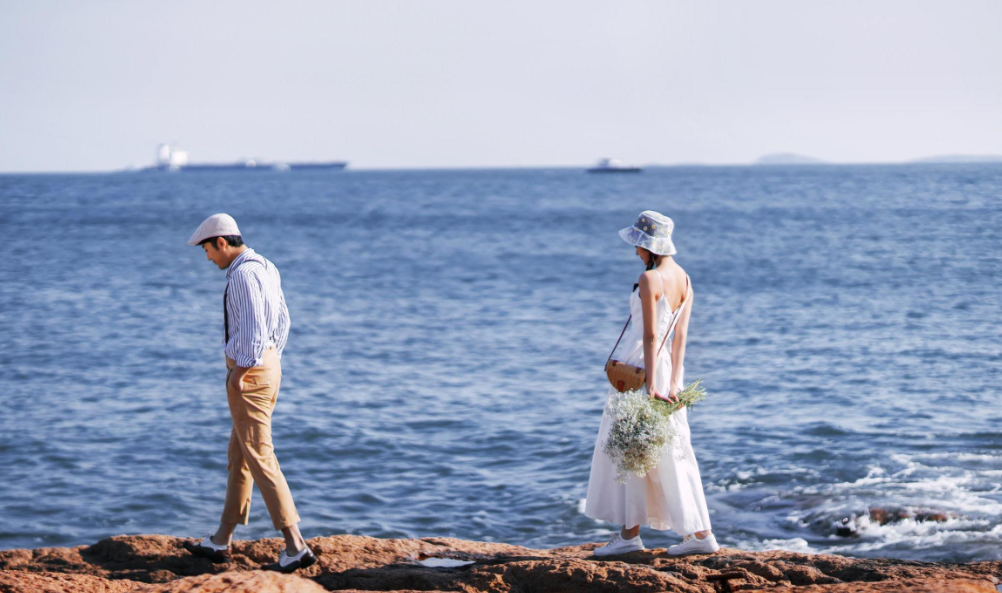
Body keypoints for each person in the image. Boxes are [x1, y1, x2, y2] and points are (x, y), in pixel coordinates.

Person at [181, 213, 317, 573]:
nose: (208, 257)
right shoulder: (266, 266)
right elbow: (283, 320)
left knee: (259, 456)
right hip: (267, 366)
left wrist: (242, 371)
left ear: (222, 243)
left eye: (207, 250)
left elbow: (255, 328)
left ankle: (296, 545)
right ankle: (221, 541)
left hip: (250, 373)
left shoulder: (242, 274)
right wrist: (270, 360)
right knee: (239, 455)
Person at [585, 210, 718, 557]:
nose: (635, 253)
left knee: (630, 448)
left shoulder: (650, 280)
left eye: (638, 246)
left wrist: (652, 387)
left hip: (640, 370)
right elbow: (681, 336)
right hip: (667, 370)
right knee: (670, 450)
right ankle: (696, 534)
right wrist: (674, 383)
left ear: (649, 246)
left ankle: (633, 537)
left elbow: (650, 333)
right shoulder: (686, 280)